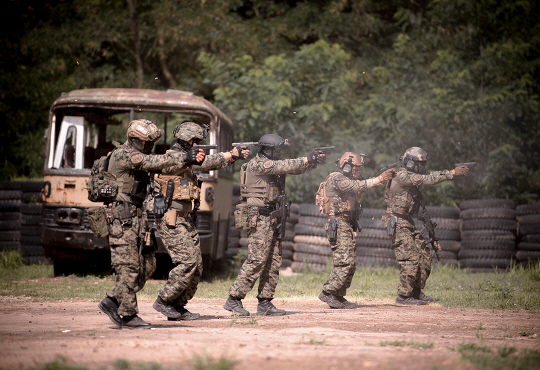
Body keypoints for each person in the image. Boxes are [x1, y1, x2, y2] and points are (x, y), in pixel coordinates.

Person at [97, 119, 204, 328]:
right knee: (129, 266)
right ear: (134, 139)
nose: (149, 147)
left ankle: (112, 299)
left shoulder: (138, 154)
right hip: (121, 216)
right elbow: (149, 162)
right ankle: (127, 315)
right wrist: (184, 157)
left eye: (150, 144)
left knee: (148, 264)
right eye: (146, 143)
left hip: (137, 217)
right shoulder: (124, 154)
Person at [152, 122, 250, 321]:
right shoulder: (172, 156)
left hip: (185, 220)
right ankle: (164, 300)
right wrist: (229, 155)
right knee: (187, 262)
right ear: (188, 140)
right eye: (196, 141)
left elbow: (204, 162)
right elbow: (200, 163)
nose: (198, 144)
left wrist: (232, 155)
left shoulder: (188, 159)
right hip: (171, 219)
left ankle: (177, 305)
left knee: (196, 266)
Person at [224, 134, 325, 316]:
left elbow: (293, 169)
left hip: (272, 217)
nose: (278, 153)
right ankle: (234, 299)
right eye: (276, 150)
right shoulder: (258, 164)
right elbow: (284, 165)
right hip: (259, 218)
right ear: (265, 150)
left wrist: (312, 162)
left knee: (273, 261)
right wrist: (306, 158)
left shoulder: (272, 165)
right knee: (257, 260)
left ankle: (265, 302)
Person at [383, 147, 469, 305]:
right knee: (410, 259)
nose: (422, 167)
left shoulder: (411, 176)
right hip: (397, 221)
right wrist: (452, 173)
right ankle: (403, 296)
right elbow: (425, 179)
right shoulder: (402, 175)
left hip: (407, 221)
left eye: (423, 164)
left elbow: (426, 176)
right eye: (419, 164)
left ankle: (415, 291)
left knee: (424, 255)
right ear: (409, 163)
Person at [316, 152, 397, 309]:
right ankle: (328, 293)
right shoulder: (336, 178)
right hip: (338, 222)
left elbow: (363, 185)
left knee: (351, 263)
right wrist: (380, 178)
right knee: (345, 261)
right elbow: (356, 186)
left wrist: (383, 179)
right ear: (346, 166)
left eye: (360, 168)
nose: (359, 171)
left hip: (345, 223)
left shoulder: (350, 179)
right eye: (356, 168)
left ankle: (338, 295)